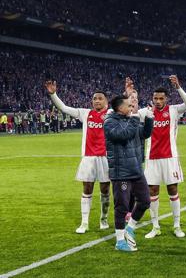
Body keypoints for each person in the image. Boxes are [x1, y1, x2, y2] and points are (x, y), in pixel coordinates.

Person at [45, 81, 111, 233]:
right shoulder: (85, 113)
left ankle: (104, 219)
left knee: (105, 189)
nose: (97, 101)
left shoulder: (111, 114)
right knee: (87, 188)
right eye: (94, 98)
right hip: (88, 158)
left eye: (100, 98)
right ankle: (84, 223)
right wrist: (53, 94)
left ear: (106, 101)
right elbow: (64, 108)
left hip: (105, 157)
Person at [140, 75, 186, 239]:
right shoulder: (146, 113)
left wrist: (178, 87)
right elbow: (129, 111)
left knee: (172, 189)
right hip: (152, 158)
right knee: (152, 191)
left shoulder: (174, 110)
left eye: (161, 98)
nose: (157, 101)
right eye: (155, 98)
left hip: (170, 158)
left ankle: (177, 226)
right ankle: (155, 226)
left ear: (166, 99)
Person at [104, 95, 153, 252]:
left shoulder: (129, 120)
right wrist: (135, 118)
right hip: (121, 172)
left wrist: (150, 120)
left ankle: (130, 227)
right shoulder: (110, 122)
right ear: (120, 108)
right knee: (122, 207)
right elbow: (123, 135)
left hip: (136, 170)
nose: (131, 108)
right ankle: (120, 241)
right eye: (129, 106)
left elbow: (143, 134)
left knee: (145, 201)